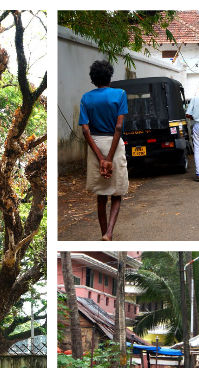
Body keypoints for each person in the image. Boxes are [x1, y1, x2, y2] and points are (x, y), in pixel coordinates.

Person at [78, 60, 129, 241]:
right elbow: (118, 127)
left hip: (95, 144)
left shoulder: (86, 98)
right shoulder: (120, 94)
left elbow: (85, 130)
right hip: (114, 144)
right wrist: (109, 157)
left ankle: (103, 232)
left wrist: (100, 157)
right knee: (117, 192)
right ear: (110, 77)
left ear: (93, 79)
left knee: (101, 193)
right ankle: (109, 233)